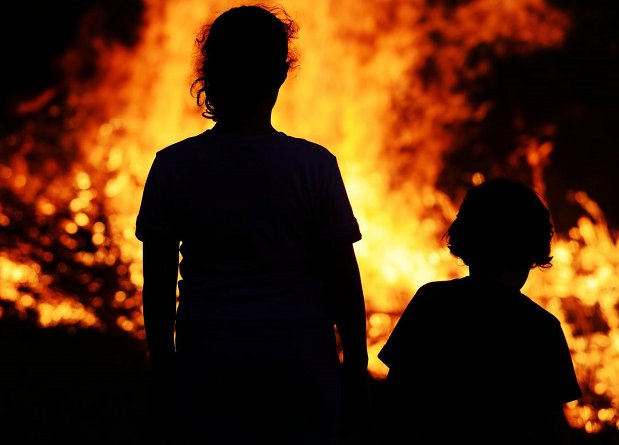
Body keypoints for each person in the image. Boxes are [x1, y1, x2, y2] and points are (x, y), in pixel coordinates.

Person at [135, 5, 368, 445]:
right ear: (281, 74)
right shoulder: (314, 166)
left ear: (210, 72)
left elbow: (159, 287)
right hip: (298, 358)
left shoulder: (173, 166)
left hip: (210, 355)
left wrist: (163, 372)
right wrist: (354, 368)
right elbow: (343, 281)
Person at [376, 177, 582, 445]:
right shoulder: (541, 327)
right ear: (533, 251)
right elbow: (551, 426)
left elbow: (396, 400)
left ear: (465, 241)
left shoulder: (431, 301)